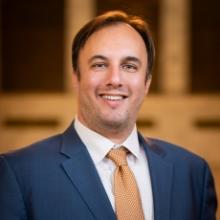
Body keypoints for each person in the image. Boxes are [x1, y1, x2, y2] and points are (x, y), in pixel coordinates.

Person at [0, 10, 217, 220]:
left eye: (129, 66)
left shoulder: (192, 174)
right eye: (100, 64)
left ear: (147, 82)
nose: (115, 79)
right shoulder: (19, 174)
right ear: (76, 77)